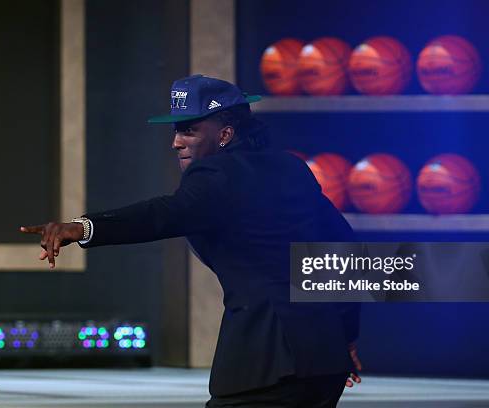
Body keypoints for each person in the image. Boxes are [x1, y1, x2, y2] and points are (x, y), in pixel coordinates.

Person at [20, 74, 362, 407]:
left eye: (189, 130)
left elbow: (165, 213)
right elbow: (343, 248)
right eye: (176, 131)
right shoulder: (290, 167)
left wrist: (82, 228)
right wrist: (344, 336)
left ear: (225, 133)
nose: (176, 142)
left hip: (267, 364)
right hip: (323, 363)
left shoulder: (215, 173)